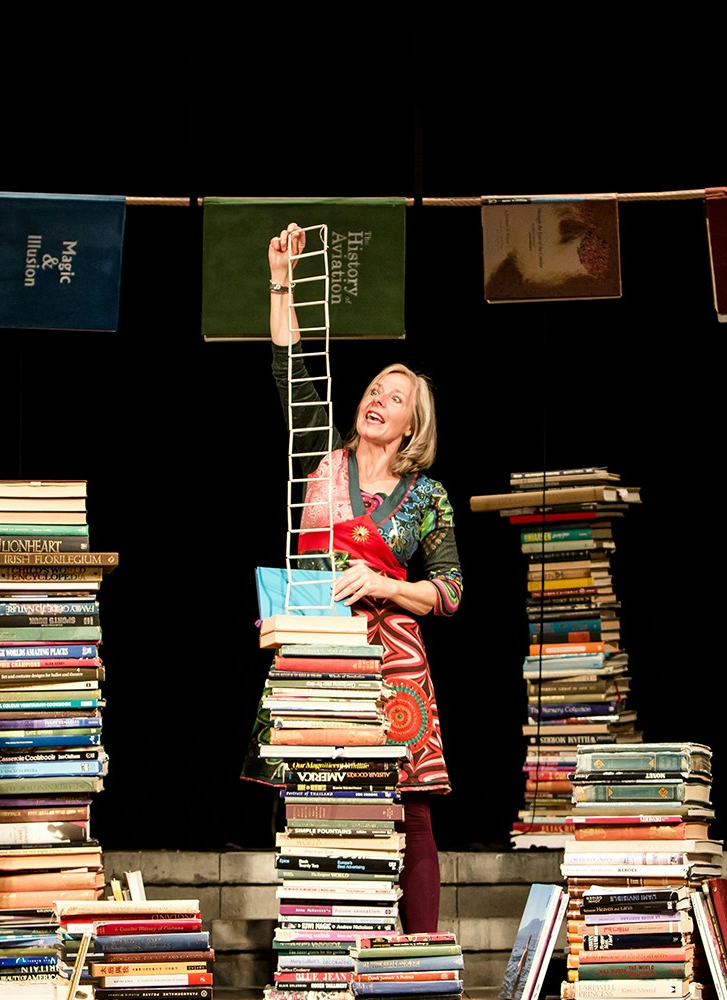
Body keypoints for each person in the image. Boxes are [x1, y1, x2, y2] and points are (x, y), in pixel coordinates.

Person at [248, 221, 463, 933]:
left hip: (395, 663)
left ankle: (421, 958)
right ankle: (326, 948)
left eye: (394, 397)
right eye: (373, 388)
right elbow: (289, 366)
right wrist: (283, 278)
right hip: (318, 650)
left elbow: (451, 592)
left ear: (412, 424)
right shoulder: (321, 459)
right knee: (318, 805)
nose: (376, 398)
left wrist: (384, 585)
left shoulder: (426, 497)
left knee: (412, 814)